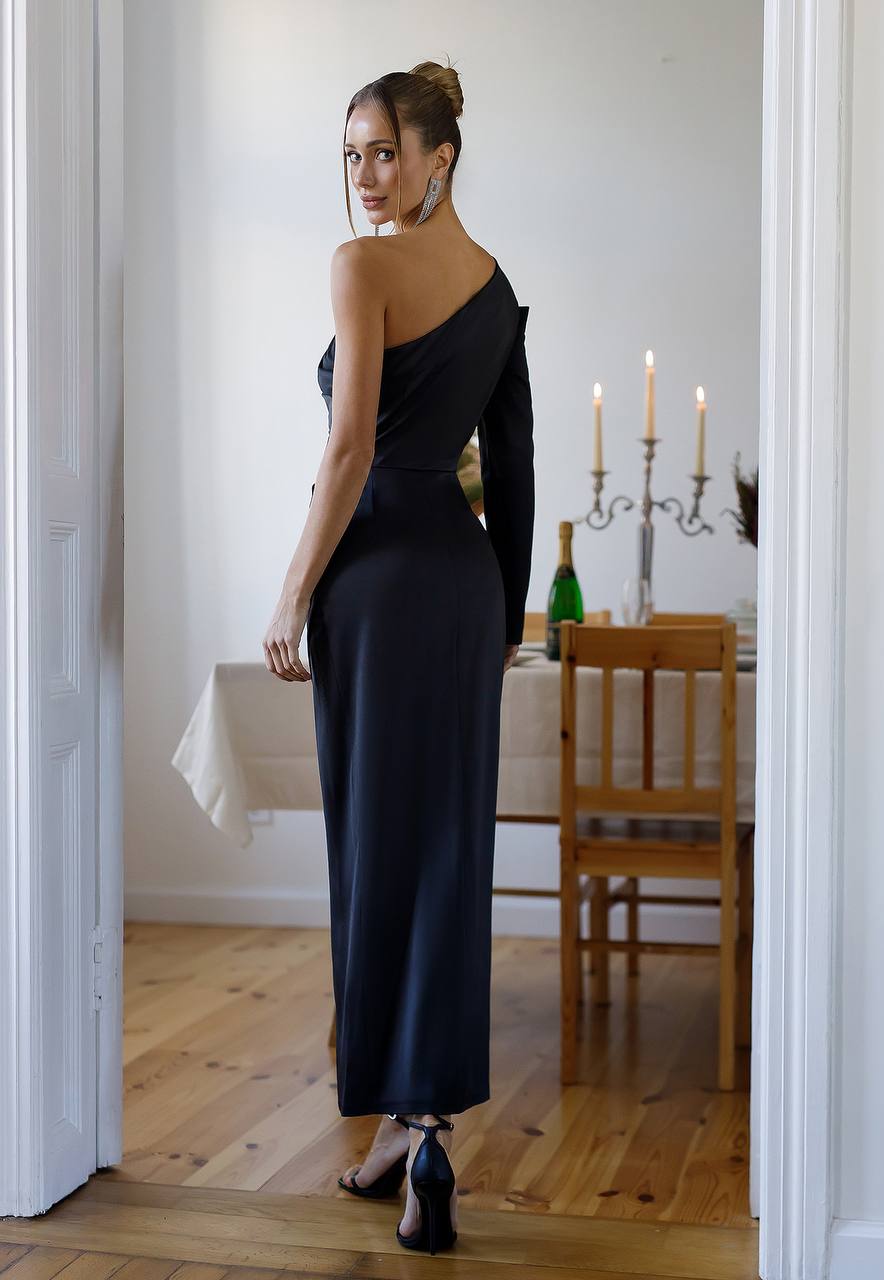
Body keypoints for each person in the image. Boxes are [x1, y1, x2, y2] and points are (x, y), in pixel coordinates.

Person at [261, 59, 535, 1256]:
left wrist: (293, 588)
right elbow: (513, 468)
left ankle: (401, 1125)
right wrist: (508, 613)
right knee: (444, 854)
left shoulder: (360, 267)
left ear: (439, 158)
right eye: (351, 156)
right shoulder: (494, 285)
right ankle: (415, 1136)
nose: (366, 178)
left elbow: (348, 447)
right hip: (464, 588)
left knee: (374, 852)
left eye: (383, 152)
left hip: (375, 584)